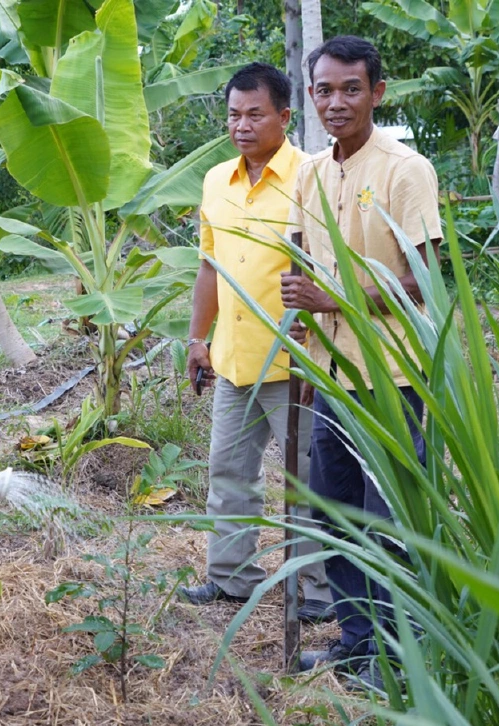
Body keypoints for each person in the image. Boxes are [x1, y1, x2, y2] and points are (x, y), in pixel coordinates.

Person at [281, 35, 442, 689]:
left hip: (391, 376)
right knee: (334, 512)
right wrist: (301, 339)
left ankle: (399, 655)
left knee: (389, 520)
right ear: (311, 96)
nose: (337, 102)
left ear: (377, 92)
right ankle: (358, 641)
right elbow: (301, 264)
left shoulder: (406, 170)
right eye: (324, 90)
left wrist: (334, 298)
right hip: (332, 374)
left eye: (351, 89)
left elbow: (424, 279)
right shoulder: (312, 173)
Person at [179, 64, 334, 621]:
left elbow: (330, 270)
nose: (241, 126)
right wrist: (197, 338)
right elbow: (210, 266)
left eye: (254, 115)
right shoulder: (216, 180)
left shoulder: (312, 177)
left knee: (307, 480)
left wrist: (320, 348)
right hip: (234, 358)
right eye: (233, 115)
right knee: (228, 471)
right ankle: (231, 578)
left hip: (294, 361)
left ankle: (319, 592)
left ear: (284, 117)